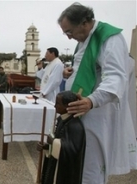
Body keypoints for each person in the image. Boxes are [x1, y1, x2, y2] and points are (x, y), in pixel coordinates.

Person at [58, 3, 137, 183]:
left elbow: (116, 77)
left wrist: (92, 101)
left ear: (84, 23)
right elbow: (89, 69)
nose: (69, 38)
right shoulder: (83, 41)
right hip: (80, 112)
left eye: (69, 32)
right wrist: (69, 72)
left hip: (96, 112)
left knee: (91, 165)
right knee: (78, 161)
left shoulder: (109, 38)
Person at [37, 91, 86, 184]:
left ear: (68, 106)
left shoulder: (75, 126)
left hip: (65, 172)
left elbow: (73, 151)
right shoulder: (61, 119)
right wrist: (46, 146)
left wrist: (54, 142)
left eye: (58, 104)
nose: (55, 106)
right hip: (55, 164)